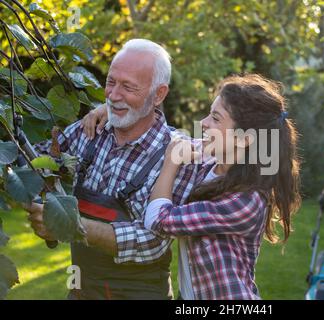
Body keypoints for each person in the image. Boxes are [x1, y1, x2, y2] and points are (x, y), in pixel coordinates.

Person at [25, 39, 200, 300]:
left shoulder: (177, 154)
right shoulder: (89, 131)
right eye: (110, 82)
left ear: (159, 94)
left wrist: (69, 226)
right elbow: (32, 163)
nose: (113, 95)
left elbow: (151, 241)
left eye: (128, 87)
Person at [144, 74, 301, 299]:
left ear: (244, 139)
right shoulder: (209, 162)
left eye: (216, 118)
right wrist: (110, 114)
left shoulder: (244, 201)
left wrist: (171, 162)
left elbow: (157, 221)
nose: (204, 123)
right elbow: (167, 137)